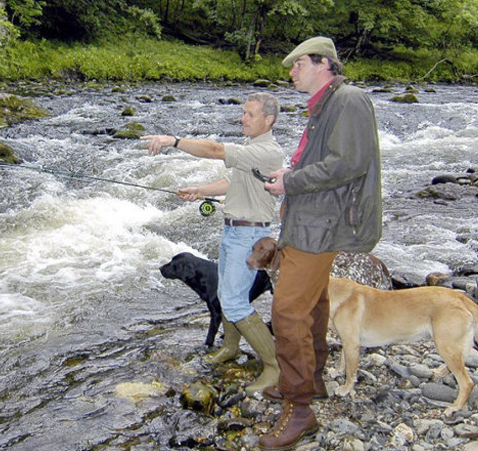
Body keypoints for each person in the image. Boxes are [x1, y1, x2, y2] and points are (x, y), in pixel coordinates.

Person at [258, 36, 383, 450]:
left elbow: (349, 164)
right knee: (312, 305)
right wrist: (288, 174)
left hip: (321, 225)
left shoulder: (349, 100)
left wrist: (290, 181)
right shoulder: (325, 105)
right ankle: (312, 382)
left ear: (323, 64)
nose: (291, 70)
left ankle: (299, 410)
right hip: (308, 220)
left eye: (297, 64)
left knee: (288, 310)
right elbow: (322, 161)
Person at [142, 92, 284, 395]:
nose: (243, 118)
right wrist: (199, 189)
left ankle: (273, 365)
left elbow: (215, 149)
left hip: (249, 236)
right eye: (243, 113)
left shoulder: (267, 151)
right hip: (234, 230)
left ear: (268, 120)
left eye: (250, 114)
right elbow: (233, 183)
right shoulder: (252, 148)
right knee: (226, 292)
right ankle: (231, 347)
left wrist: (173, 141)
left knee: (234, 301)